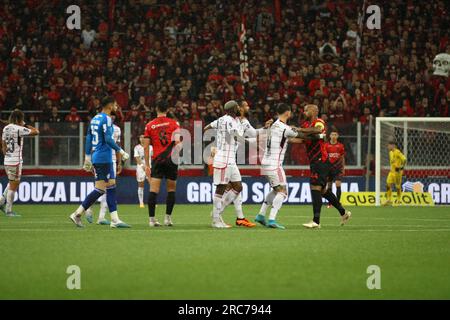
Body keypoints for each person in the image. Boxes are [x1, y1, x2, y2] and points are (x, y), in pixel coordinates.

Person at [255, 103, 324, 229]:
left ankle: (260, 215)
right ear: (287, 113)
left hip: (265, 163)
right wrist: (319, 136)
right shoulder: (284, 128)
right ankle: (272, 220)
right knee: (283, 192)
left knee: (275, 190)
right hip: (275, 165)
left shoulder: (273, 125)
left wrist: (305, 137)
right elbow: (301, 136)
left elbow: (292, 139)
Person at [69, 96, 130, 228]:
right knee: (102, 189)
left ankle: (112, 218)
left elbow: (89, 137)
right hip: (104, 157)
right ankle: (79, 213)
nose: (116, 107)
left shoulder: (95, 118)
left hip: (97, 156)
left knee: (108, 186)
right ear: (109, 106)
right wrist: (121, 151)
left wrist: (87, 157)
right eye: (114, 105)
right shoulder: (107, 119)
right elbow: (108, 139)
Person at [299, 104, 351, 229]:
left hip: (321, 160)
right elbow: (301, 139)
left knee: (315, 187)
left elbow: (317, 130)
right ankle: (343, 213)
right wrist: (285, 138)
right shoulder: (305, 125)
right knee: (323, 190)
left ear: (314, 111)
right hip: (314, 161)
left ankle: (316, 221)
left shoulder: (319, 122)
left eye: (307, 110)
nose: (304, 112)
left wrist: (298, 130)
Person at [204, 100, 245, 228]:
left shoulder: (223, 120)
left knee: (238, 186)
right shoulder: (228, 121)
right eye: (238, 107)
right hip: (223, 159)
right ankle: (216, 220)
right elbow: (237, 137)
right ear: (234, 109)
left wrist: (217, 142)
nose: (239, 108)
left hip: (231, 160)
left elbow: (207, 127)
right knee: (221, 188)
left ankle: (218, 211)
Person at [143, 101, 181, 227]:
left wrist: (147, 165)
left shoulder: (149, 125)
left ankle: (151, 220)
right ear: (168, 109)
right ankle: (167, 219)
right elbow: (178, 144)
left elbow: (146, 147)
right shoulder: (174, 124)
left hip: (157, 160)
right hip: (171, 160)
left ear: (156, 109)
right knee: (171, 189)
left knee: (153, 190)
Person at [85, 113, 123, 225]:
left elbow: (118, 145)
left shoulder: (117, 129)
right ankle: (87, 208)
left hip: (112, 160)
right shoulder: (102, 126)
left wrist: (119, 162)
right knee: (101, 189)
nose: (112, 117)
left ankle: (101, 217)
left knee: (107, 190)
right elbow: (95, 144)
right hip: (102, 159)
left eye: (113, 115)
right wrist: (91, 161)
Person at [0, 110, 39, 216]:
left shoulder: (6, 128)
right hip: (15, 161)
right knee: (14, 185)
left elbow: (3, 146)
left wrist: (7, 154)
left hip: (7, 160)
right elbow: (36, 131)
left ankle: (1, 201)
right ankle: (9, 210)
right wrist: (25, 124)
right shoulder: (19, 129)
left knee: (11, 182)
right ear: (19, 119)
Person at [324, 130, 345, 207]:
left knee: (337, 184)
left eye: (335, 135)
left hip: (338, 169)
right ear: (330, 136)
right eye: (332, 134)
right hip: (329, 169)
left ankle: (338, 203)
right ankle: (330, 203)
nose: (333, 136)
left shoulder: (340, 146)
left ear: (337, 136)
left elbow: (342, 158)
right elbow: (324, 157)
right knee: (329, 186)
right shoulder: (326, 146)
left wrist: (343, 168)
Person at [384, 141, 406, 205]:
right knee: (388, 184)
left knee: (397, 186)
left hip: (397, 172)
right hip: (391, 172)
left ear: (393, 145)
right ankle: (389, 199)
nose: (388, 147)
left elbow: (404, 159)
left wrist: (401, 167)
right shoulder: (390, 153)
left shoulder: (398, 152)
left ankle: (399, 200)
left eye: (389, 145)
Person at [134, 134, 153, 208]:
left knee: (152, 184)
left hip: (149, 167)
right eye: (141, 137)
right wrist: (142, 166)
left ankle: (153, 201)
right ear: (139, 139)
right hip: (140, 168)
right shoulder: (137, 147)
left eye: (144, 137)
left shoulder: (151, 147)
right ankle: (141, 202)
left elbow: (153, 157)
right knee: (141, 184)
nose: (142, 139)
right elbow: (137, 158)